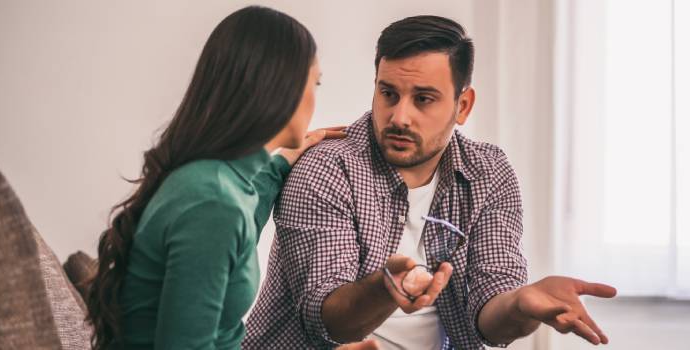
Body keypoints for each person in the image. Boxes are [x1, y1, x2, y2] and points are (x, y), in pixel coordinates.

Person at [244, 15, 617, 349]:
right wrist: (385, 287)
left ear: (463, 106)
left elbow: (490, 314)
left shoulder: (488, 172)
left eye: (423, 99)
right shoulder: (326, 167)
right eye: (388, 93)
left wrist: (520, 304)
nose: (399, 117)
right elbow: (327, 319)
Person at [85, 6, 375, 350]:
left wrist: (280, 164)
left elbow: (238, 231)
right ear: (280, 88)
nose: (316, 98)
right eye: (315, 83)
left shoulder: (211, 182)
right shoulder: (213, 201)